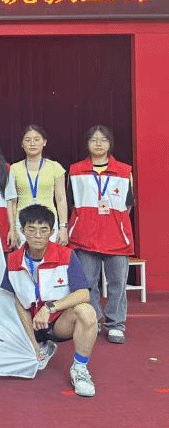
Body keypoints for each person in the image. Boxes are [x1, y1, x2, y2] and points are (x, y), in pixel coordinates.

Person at [1, 204, 98, 397]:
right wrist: (32, 344)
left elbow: (83, 294)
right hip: (29, 324)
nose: (37, 235)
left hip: (58, 323)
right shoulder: (13, 260)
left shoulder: (66, 255)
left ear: (52, 232)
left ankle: (79, 368)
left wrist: (49, 308)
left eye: (43, 230)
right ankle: (41, 345)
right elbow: (19, 303)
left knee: (87, 312)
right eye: (31, 230)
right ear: (22, 231)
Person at [68, 125, 135, 344]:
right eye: (93, 139)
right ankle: (94, 320)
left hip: (116, 237)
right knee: (88, 283)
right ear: (87, 143)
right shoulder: (76, 170)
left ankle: (116, 325)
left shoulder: (124, 171)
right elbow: (71, 202)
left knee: (118, 284)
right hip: (85, 237)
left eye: (103, 139)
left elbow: (128, 204)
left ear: (110, 143)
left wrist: (115, 224)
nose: (98, 144)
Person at [9, 124, 69, 246]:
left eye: (36, 139)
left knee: (49, 256)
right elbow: (12, 202)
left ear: (44, 142)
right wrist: (12, 229)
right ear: (22, 144)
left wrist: (63, 227)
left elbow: (61, 199)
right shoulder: (14, 169)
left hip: (48, 222)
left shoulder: (55, 167)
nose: (32, 143)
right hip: (23, 222)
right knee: (24, 257)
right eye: (27, 140)